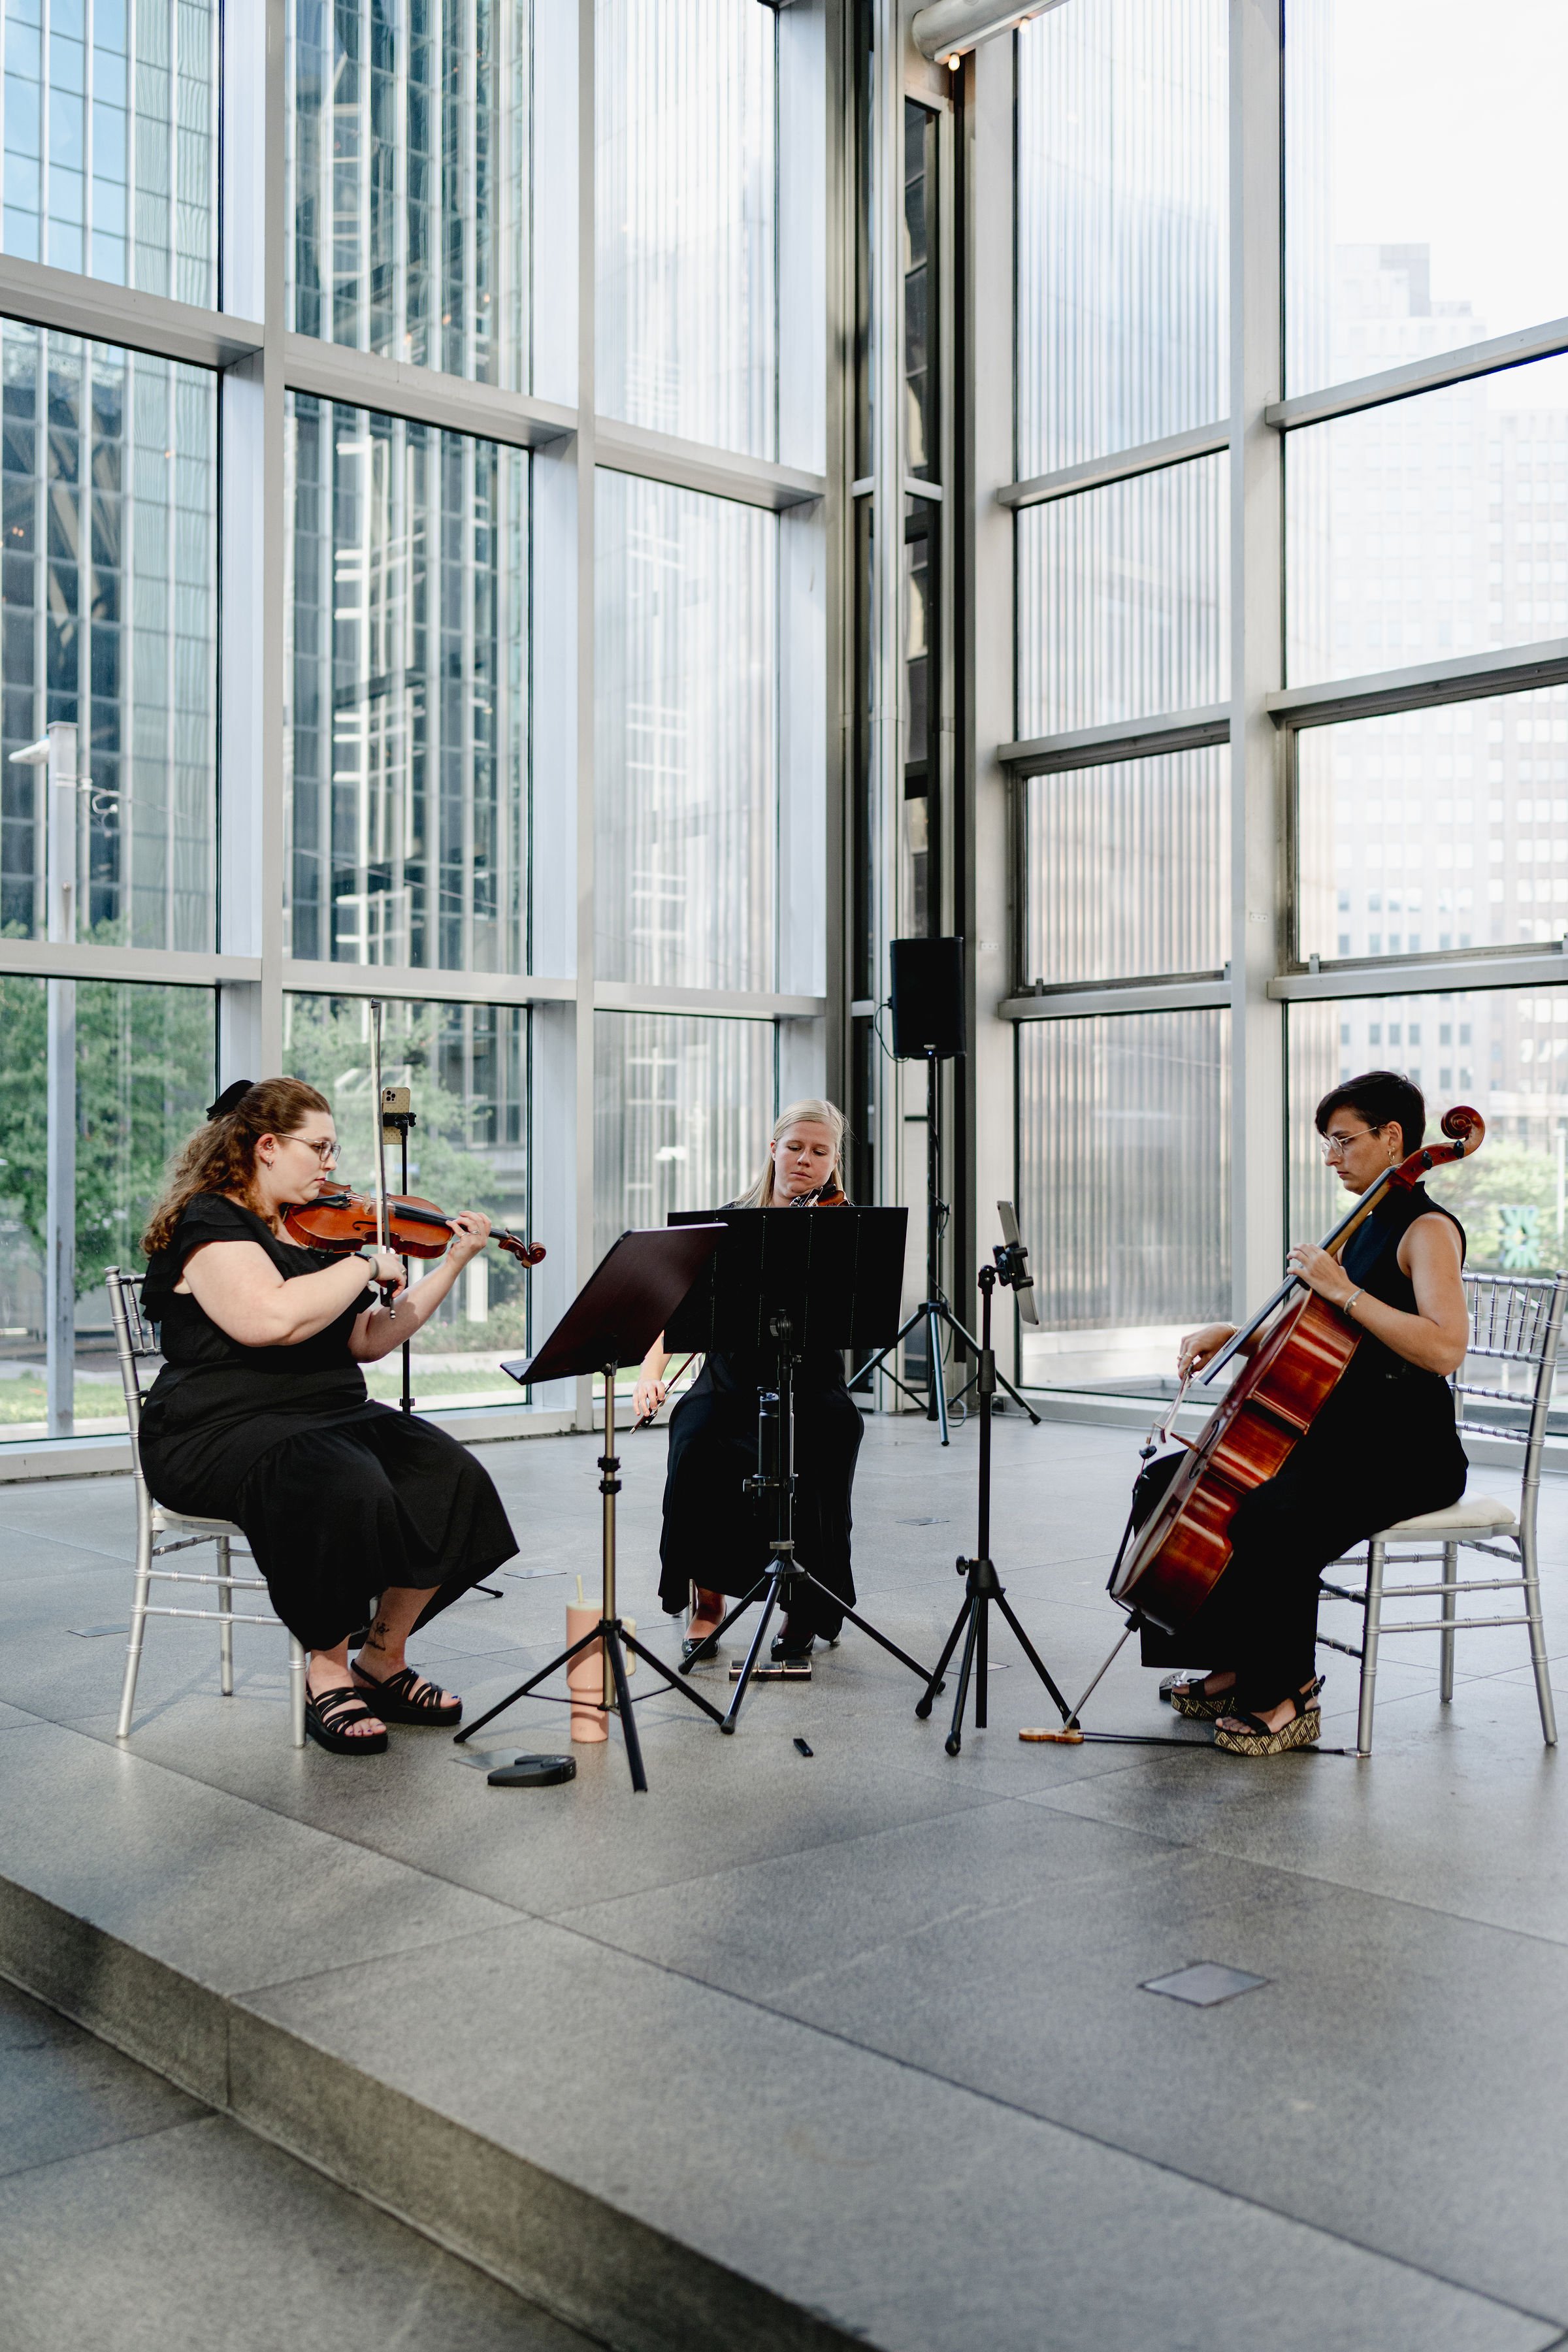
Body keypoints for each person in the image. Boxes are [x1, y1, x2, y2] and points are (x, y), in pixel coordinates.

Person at [138, 1077, 519, 1756]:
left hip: (326, 1414)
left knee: (448, 1475)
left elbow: (368, 1338)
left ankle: (383, 1657)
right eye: (318, 1147)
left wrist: (450, 1265)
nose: (331, 1163)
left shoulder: (307, 1228)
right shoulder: (210, 1221)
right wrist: (365, 1261)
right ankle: (327, 1669)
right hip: (220, 1428)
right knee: (344, 1483)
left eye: (333, 1148)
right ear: (266, 1147)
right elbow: (269, 1320)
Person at [1168, 1070, 1469, 1757]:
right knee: (1183, 1484)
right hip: (1343, 1436)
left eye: (1342, 1141)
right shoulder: (1358, 1221)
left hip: (1409, 1452)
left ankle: (1290, 1695)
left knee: (1281, 1513)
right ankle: (1240, 1661)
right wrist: (1234, 1333)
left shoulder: (1425, 1229)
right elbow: (1316, 1338)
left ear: (1393, 1139)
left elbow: (1445, 1347)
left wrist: (1343, 1290)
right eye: (1326, 1144)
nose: (1331, 1158)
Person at [631, 1100, 860, 1679]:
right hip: (730, 1382)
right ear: (773, 1148)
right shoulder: (729, 1221)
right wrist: (649, 1374)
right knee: (696, 1436)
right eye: (795, 1147)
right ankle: (708, 1603)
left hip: (809, 1382)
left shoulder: (844, 1223)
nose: (805, 1160)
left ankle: (806, 1609)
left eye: (820, 1151)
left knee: (833, 1432)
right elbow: (673, 1307)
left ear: (834, 1162)